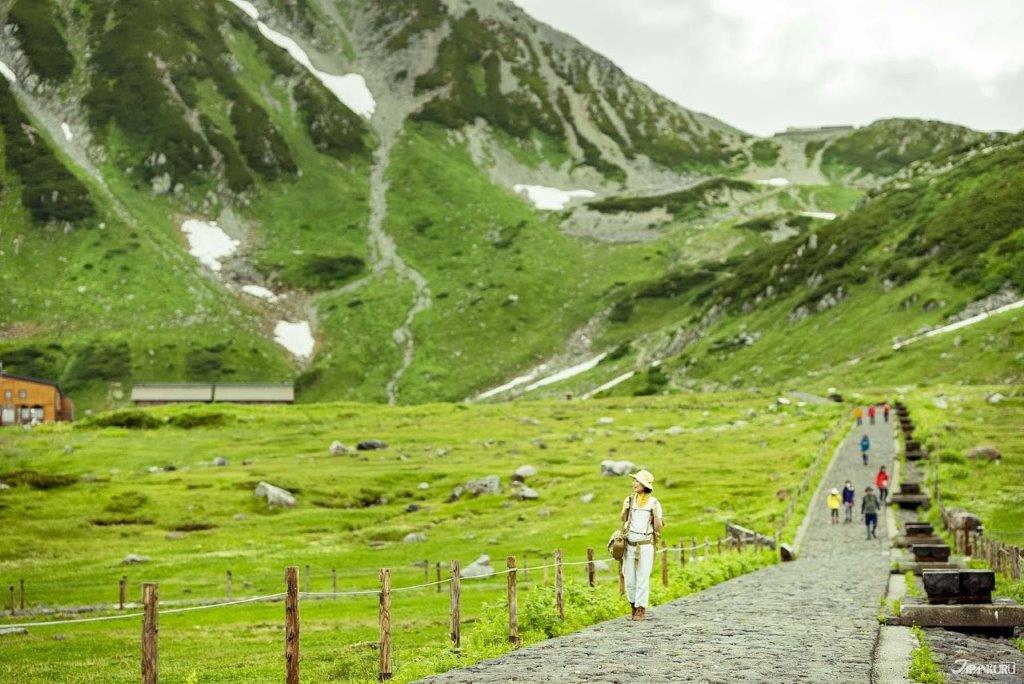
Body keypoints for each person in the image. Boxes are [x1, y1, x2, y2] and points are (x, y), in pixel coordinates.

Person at [621, 469, 663, 621]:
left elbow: (658, 527)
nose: (634, 483)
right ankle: (633, 604)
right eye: (634, 481)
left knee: (642, 577)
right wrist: (625, 509)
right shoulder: (629, 500)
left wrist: (655, 514)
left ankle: (640, 608)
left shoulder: (654, 502)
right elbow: (623, 519)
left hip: (645, 545)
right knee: (629, 578)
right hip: (630, 544)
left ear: (644, 485)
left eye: (637, 481)